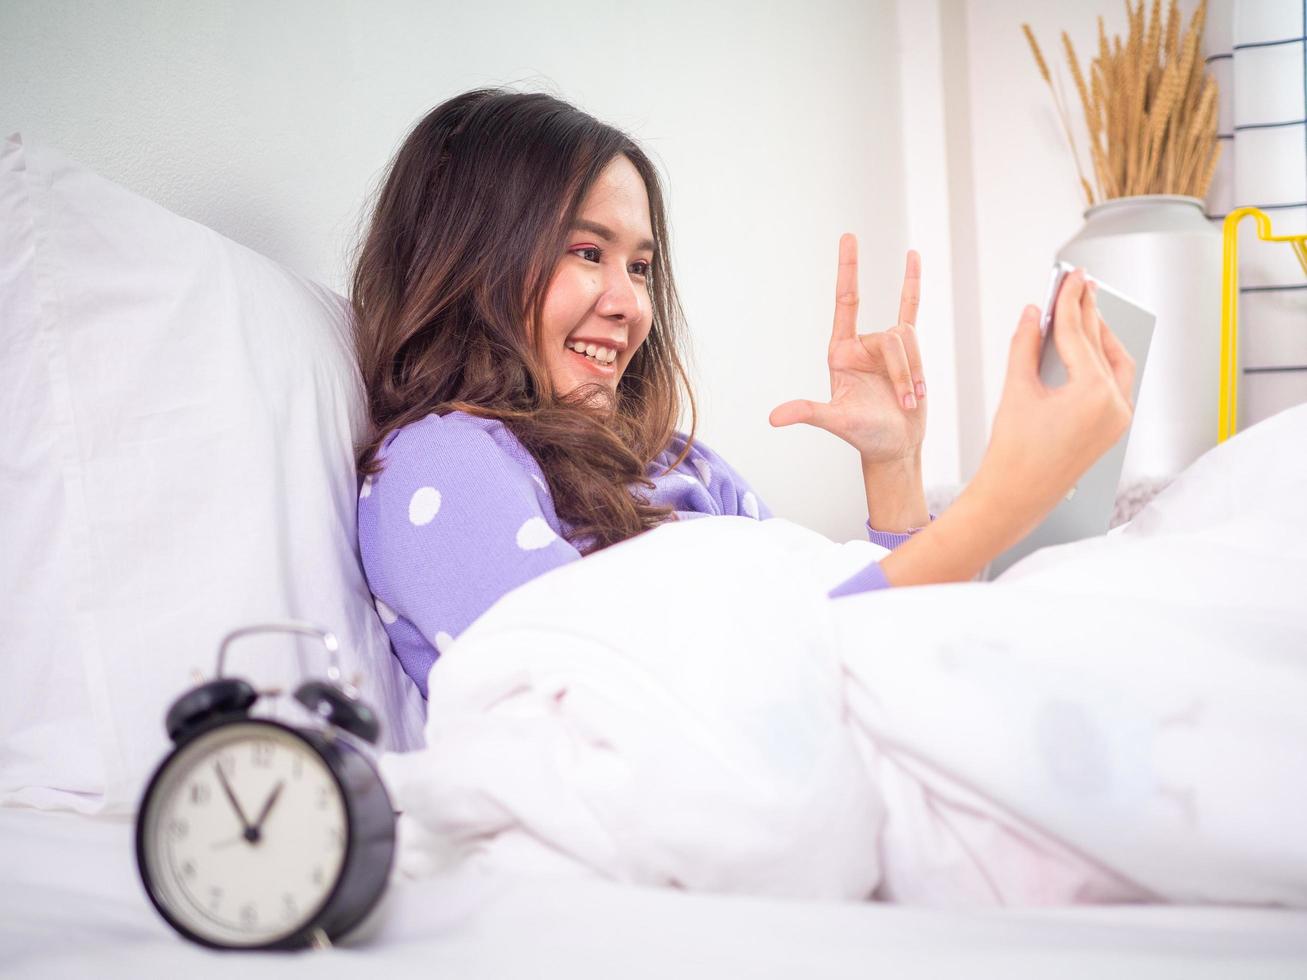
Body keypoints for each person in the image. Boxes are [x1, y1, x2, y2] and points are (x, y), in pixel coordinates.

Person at [351, 88, 1135, 698]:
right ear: (469, 260)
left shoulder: (677, 464)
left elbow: (856, 646)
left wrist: (894, 467)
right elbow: (638, 703)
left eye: (640, 266)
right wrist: (998, 503)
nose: (630, 305)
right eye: (588, 251)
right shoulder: (441, 462)